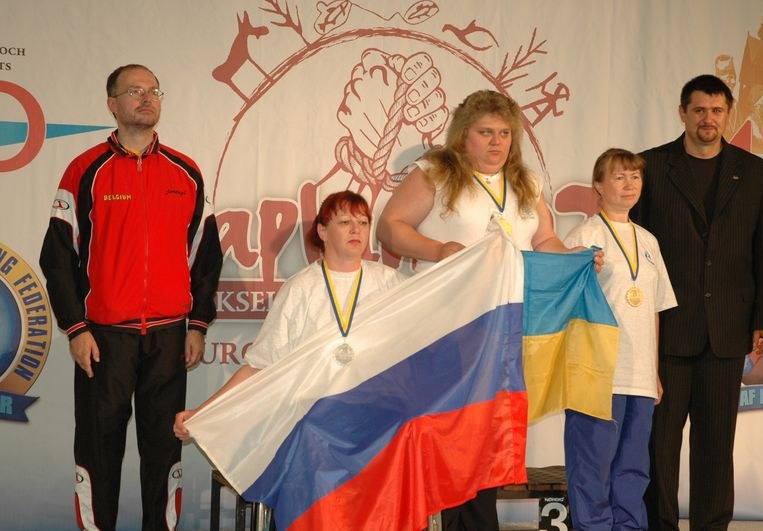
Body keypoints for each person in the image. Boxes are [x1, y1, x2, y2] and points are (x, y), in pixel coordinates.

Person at [376, 89, 601, 531]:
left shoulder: (526, 181)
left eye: (504, 133)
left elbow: (544, 241)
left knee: (487, 432)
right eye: (485, 133)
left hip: (506, 326)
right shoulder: (436, 172)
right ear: (464, 135)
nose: (497, 142)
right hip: (448, 325)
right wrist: (438, 249)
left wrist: (575, 258)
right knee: (452, 432)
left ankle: (477, 523)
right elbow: (389, 227)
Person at [39, 64, 223, 531]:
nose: (147, 98)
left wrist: (198, 324)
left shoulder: (186, 172)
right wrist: (75, 328)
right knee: (99, 449)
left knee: (163, 450)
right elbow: (57, 258)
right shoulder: (84, 170)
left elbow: (206, 257)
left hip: (168, 338)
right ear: (112, 104)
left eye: (154, 91)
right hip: (103, 339)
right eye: (135, 91)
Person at [632, 74, 763, 530]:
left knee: (716, 445)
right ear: (683, 112)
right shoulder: (651, 167)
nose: (708, 119)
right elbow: (633, 247)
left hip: (727, 330)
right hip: (666, 330)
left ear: (728, 114)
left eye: (717, 110)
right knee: (659, 445)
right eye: (699, 110)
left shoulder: (755, 173)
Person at [173, 190, 405, 439]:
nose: (356, 230)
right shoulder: (300, 288)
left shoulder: (391, 283)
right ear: (323, 231)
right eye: (345, 222)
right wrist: (203, 413)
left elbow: (426, 333)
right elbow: (259, 366)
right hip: (316, 427)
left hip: (377, 421)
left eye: (363, 222)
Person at [561, 148, 677, 529]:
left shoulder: (649, 241)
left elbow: (654, 309)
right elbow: (566, 302)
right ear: (598, 185)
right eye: (619, 176)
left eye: (635, 176)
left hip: (639, 375)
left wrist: (653, 372)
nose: (630, 184)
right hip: (597, 372)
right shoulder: (583, 236)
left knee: (633, 469)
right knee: (592, 467)